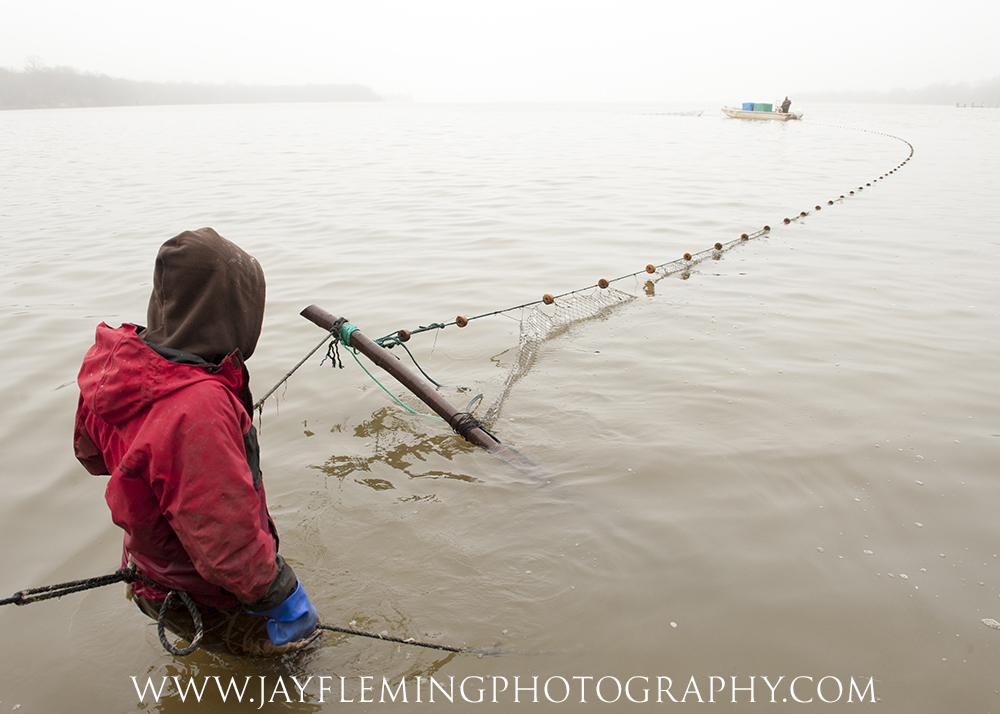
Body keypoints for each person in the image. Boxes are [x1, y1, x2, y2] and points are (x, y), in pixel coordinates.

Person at [74, 227, 318, 656]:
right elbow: (226, 539)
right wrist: (279, 594)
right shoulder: (198, 407)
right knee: (296, 668)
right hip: (207, 595)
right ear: (232, 311)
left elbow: (92, 455)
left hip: (149, 574)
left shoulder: (115, 363)